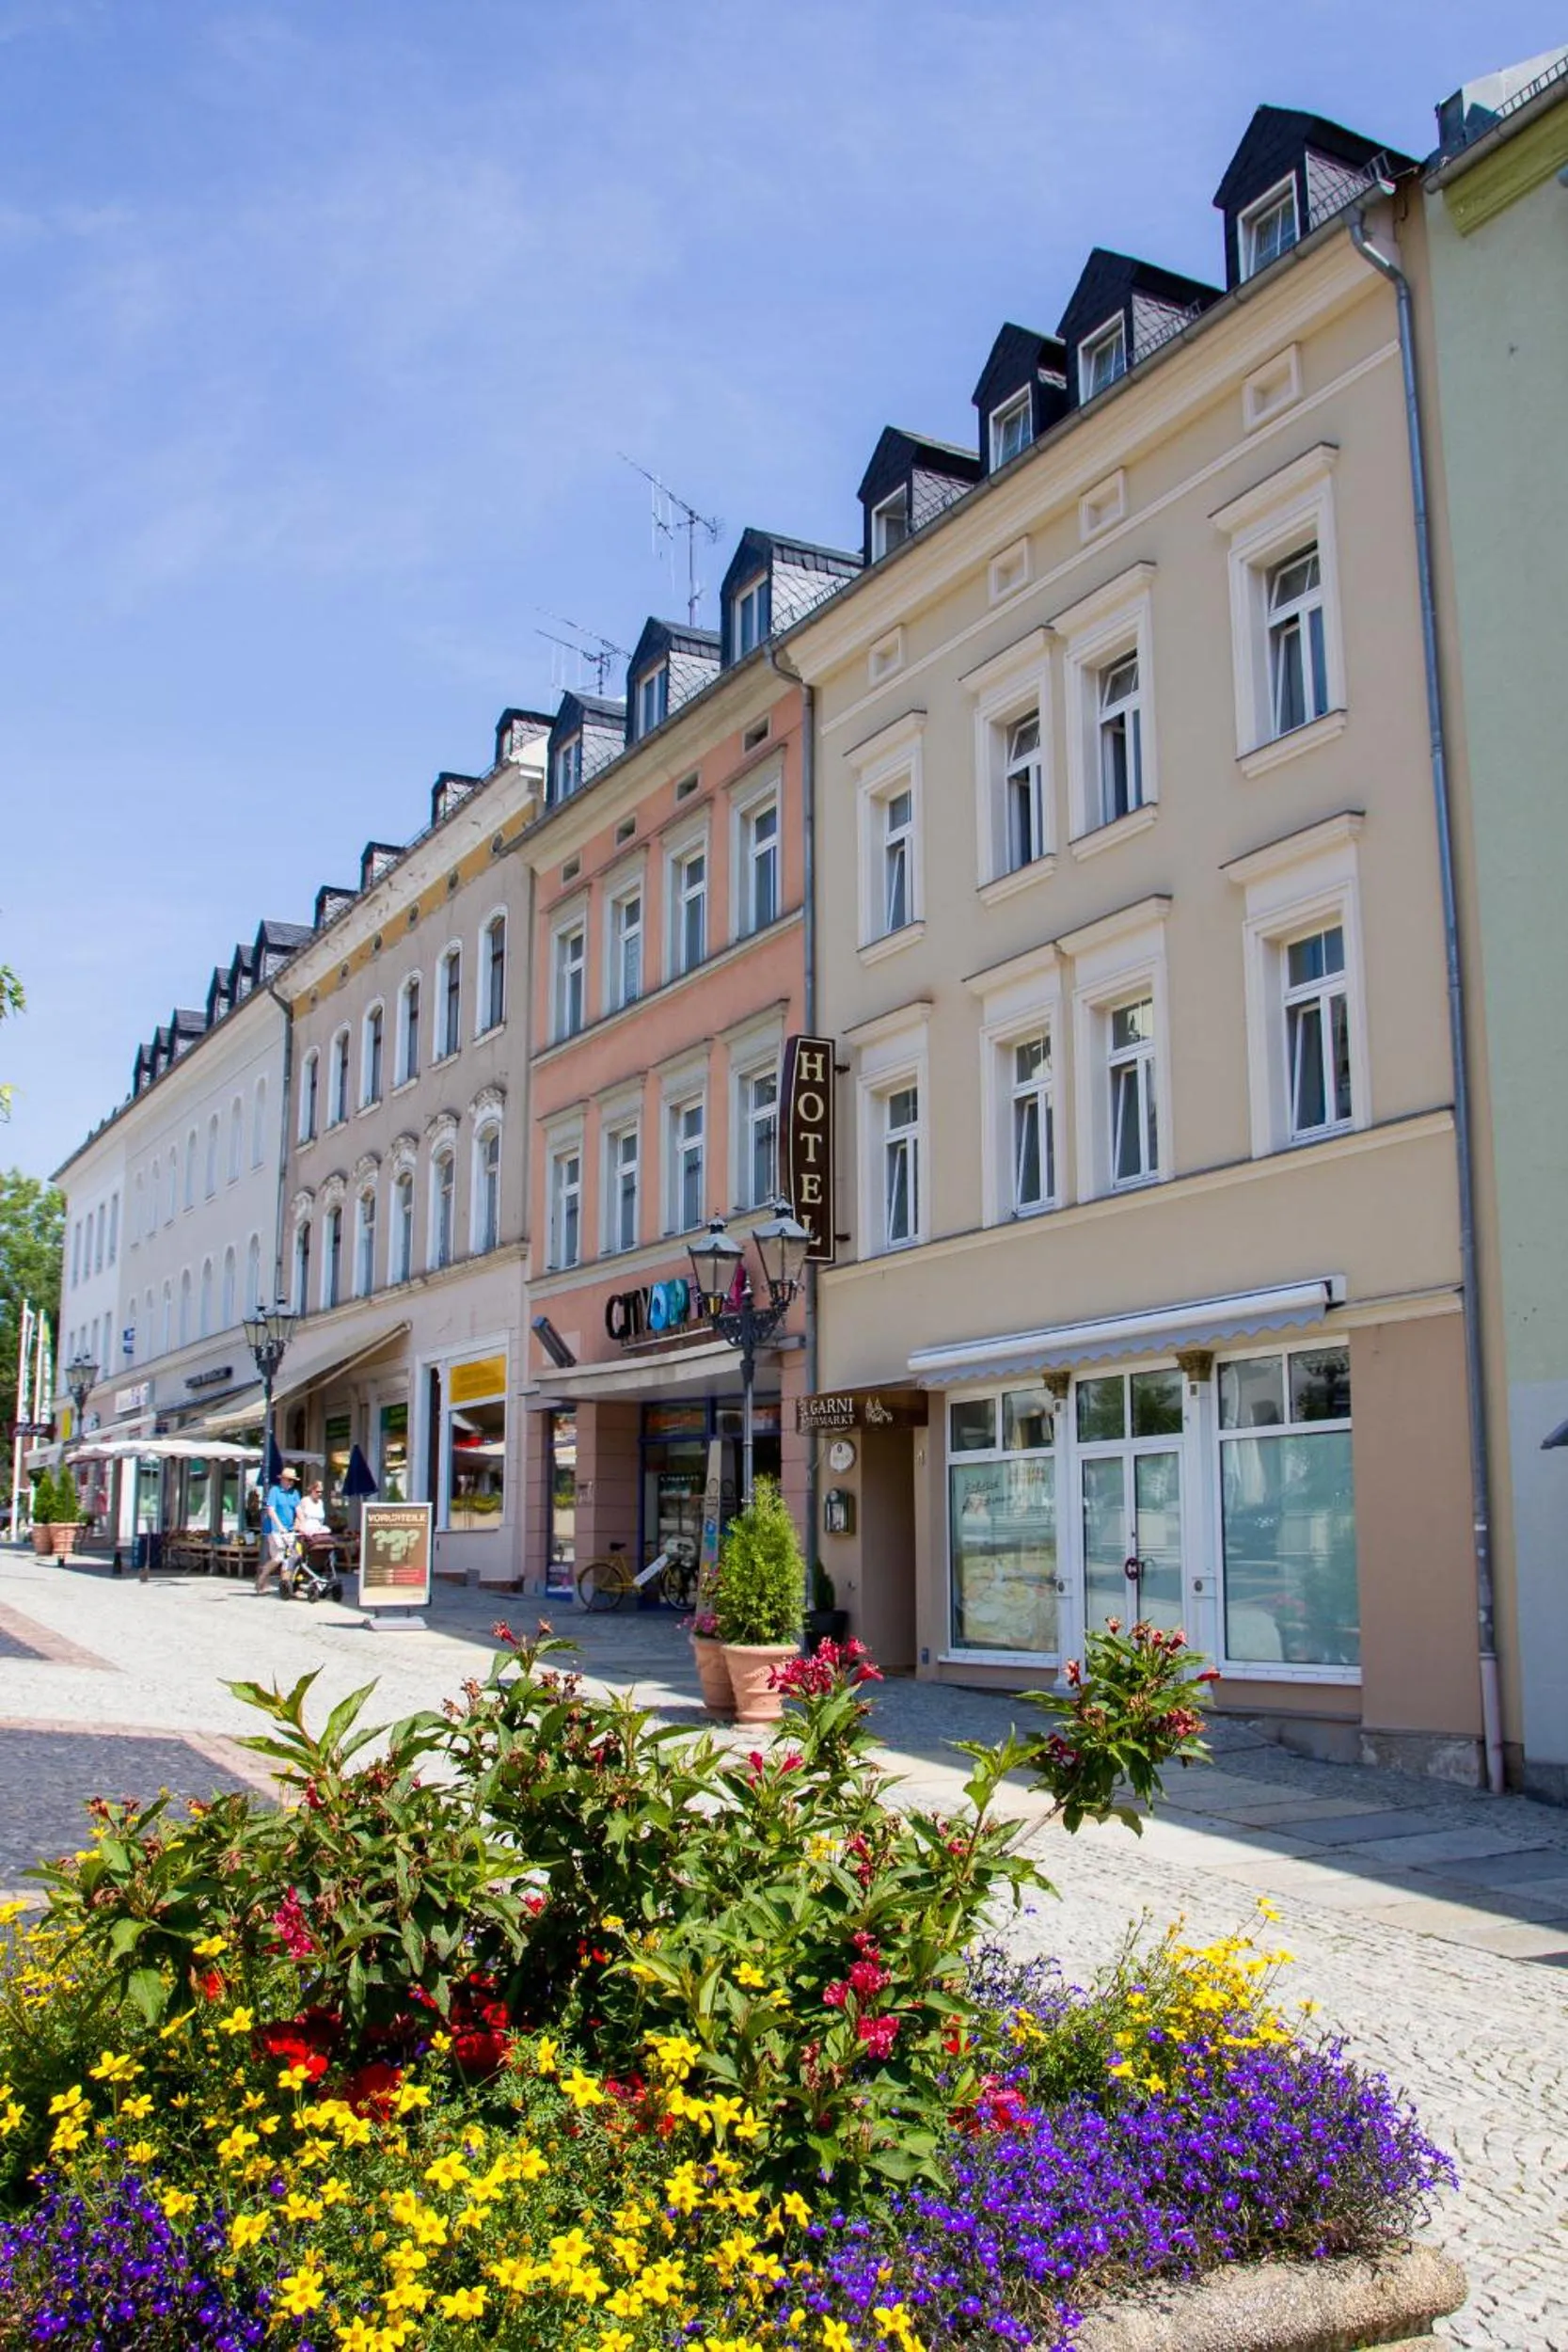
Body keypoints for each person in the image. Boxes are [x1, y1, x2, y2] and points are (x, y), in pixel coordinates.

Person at [256, 1464, 299, 1597]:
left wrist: (301, 1523)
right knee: (278, 1557)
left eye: (293, 1480)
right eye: (289, 1480)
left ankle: (286, 1587)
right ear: (283, 1479)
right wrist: (279, 1526)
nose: (291, 1483)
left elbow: (298, 1510)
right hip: (275, 1529)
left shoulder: (294, 1493)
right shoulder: (275, 1491)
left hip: (290, 1530)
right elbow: (271, 1510)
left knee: (291, 1558)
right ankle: (262, 1577)